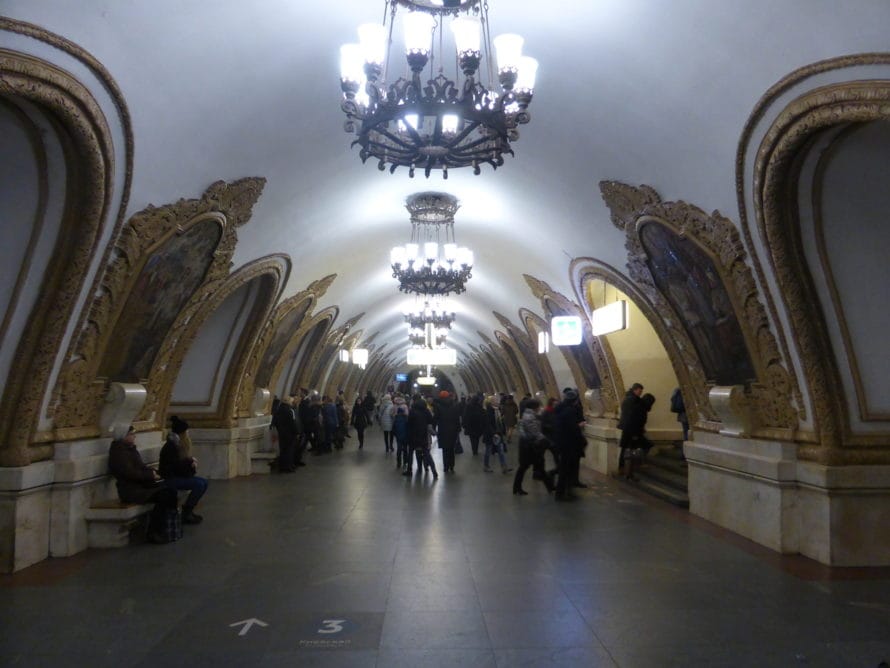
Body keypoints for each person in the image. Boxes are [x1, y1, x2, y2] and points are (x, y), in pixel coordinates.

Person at [108, 425, 178, 544]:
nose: (134, 436)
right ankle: (154, 531)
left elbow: (140, 467)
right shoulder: (118, 453)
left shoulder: (129, 449)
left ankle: (165, 529)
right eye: (131, 434)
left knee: (170, 491)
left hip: (140, 487)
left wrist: (154, 473)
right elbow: (129, 473)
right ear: (123, 436)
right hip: (131, 491)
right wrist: (150, 476)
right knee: (164, 496)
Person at [159, 416, 208, 524]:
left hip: (176, 476)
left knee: (204, 482)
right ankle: (187, 512)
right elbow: (177, 467)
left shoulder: (175, 445)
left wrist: (190, 462)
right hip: (170, 479)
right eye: (186, 432)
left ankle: (188, 510)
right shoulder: (171, 447)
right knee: (199, 484)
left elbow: (180, 466)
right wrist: (190, 464)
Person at [513, 399, 555, 495]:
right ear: (534, 407)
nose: (540, 408)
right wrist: (547, 441)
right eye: (539, 406)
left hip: (528, 445)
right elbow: (535, 432)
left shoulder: (527, 415)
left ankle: (517, 487)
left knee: (533, 467)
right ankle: (550, 487)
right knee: (527, 467)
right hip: (529, 447)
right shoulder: (530, 417)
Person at [554, 390, 587, 500]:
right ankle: (563, 494)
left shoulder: (560, 409)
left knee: (565, 469)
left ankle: (563, 492)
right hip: (570, 445)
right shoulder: (569, 411)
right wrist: (580, 425)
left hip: (562, 444)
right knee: (567, 470)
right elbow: (573, 429)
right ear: (574, 400)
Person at [618, 382, 647, 481]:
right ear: (635, 389)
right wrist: (635, 432)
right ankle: (629, 472)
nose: (641, 392)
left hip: (627, 428)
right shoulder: (633, 400)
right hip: (631, 429)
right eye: (640, 390)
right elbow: (632, 417)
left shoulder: (627, 398)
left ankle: (623, 470)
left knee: (625, 449)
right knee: (630, 451)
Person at [405, 396, 437, 478]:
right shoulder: (426, 410)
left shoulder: (412, 411)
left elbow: (409, 423)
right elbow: (431, 421)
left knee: (411, 453)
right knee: (427, 453)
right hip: (423, 435)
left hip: (413, 435)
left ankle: (409, 470)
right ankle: (434, 471)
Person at [482, 394, 511, 474]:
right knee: (488, 451)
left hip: (498, 434)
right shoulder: (487, 411)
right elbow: (488, 424)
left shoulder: (496, 410)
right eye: (494, 400)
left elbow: (498, 423)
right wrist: (493, 433)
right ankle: (486, 466)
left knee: (501, 451)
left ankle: (504, 467)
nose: (496, 401)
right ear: (491, 402)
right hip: (490, 435)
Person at [433, 390, 461, 473]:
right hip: (453, 431)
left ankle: (446, 467)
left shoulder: (438, 406)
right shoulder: (455, 405)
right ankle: (452, 466)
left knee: (445, 449)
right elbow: (457, 418)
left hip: (443, 430)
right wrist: (458, 429)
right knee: (451, 449)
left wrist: (433, 429)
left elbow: (435, 418)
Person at [271, 395, 300, 472]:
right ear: (289, 402)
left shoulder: (278, 410)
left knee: (283, 450)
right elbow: (293, 423)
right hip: (290, 434)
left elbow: (275, 422)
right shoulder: (290, 410)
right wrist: (297, 432)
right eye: (291, 401)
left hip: (281, 433)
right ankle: (288, 467)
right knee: (289, 450)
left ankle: (282, 466)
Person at [391, 395, 410, 469]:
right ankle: (405, 461)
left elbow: (391, 414)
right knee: (405, 449)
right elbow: (408, 416)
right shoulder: (405, 407)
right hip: (405, 435)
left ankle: (399, 462)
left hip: (398, 436)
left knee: (399, 449)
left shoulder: (394, 407)